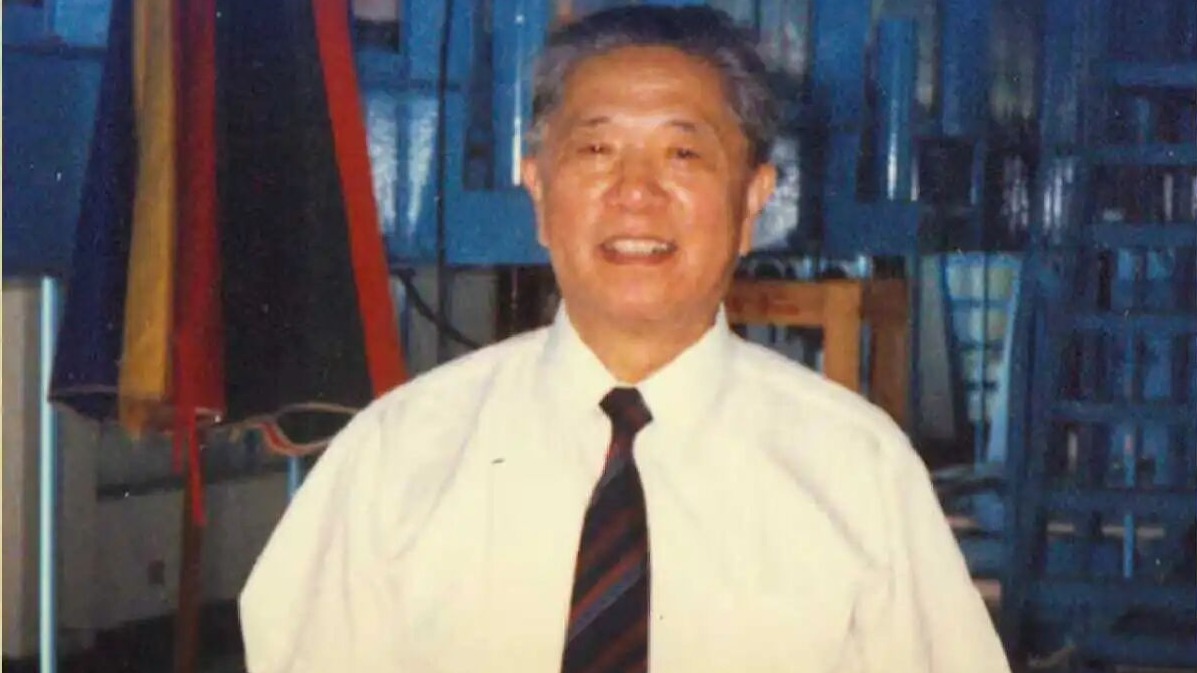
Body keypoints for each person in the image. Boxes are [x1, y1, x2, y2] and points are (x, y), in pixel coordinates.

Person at [239, 5, 1011, 672]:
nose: (635, 192)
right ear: (538, 191)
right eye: (596, 150)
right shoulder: (394, 457)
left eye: (683, 153)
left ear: (753, 201)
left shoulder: (858, 472)